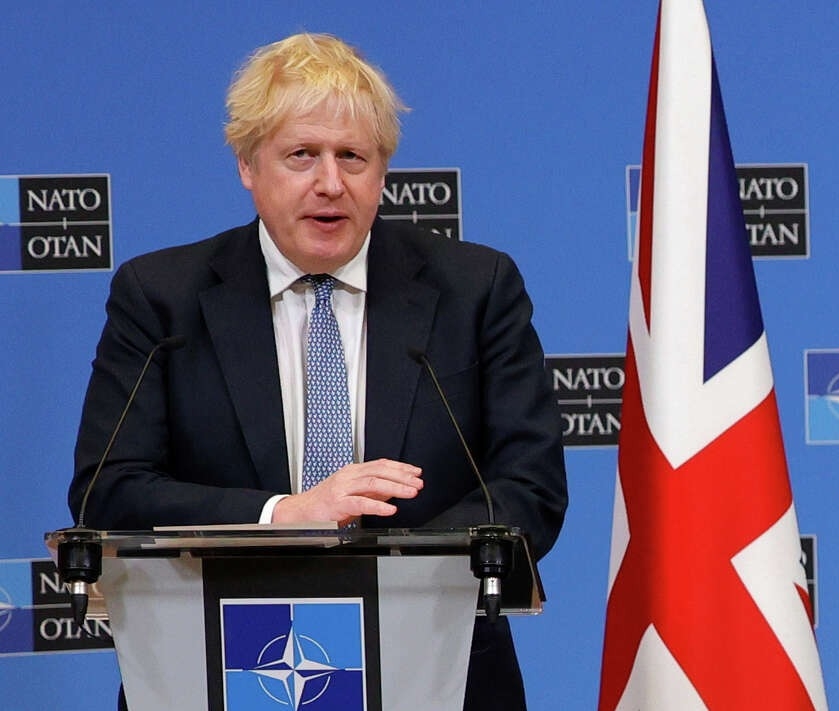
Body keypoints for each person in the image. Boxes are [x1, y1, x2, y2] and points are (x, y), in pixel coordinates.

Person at [69, 32, 567, 711]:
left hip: (437, 667)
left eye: (352, 157)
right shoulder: (162, 298)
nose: (331, 183)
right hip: (217, 666)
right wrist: (284, 515)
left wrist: (390, 572)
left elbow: (530, 486)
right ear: (248, 164)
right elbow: (108, 490)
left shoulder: (475, 289)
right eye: (302, 154)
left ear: (382, 171)